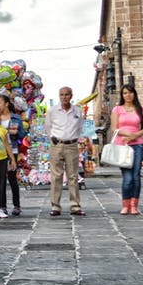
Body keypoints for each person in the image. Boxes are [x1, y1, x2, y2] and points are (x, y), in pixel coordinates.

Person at [47, 86, 85, 216]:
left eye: (67, 94)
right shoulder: (52, 111)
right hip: (56, 145)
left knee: (73, 176)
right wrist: (53, 140)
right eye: (62, 94)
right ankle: (56, 206)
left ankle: (75, 206)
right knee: (56, 176)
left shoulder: (77, 111)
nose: (64, 97)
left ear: (71, 96)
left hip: (71, 145)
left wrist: (72, 138)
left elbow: (79, 128)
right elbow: (48, 127)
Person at [111, 84, 143, 215]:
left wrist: (134, 136)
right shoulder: (117, 109)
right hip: (122, 145)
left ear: (135, 94)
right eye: (125, 93)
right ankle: (125, 204)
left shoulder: (141, 110)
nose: (128, 95)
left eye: (130, 93)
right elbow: (114, 128)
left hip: (137, 145)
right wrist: (127, 136)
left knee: (136, 176)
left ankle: (134, 204)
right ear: (122, 95)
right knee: (127, 178)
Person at [0, 91, 26, 216]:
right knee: (0, 180)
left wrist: (16, 132)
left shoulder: (16, 118)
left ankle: (16, 205)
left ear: (6, 104)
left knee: (12, 179)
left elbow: (22, 135)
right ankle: (2, 206)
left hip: (12, 150)